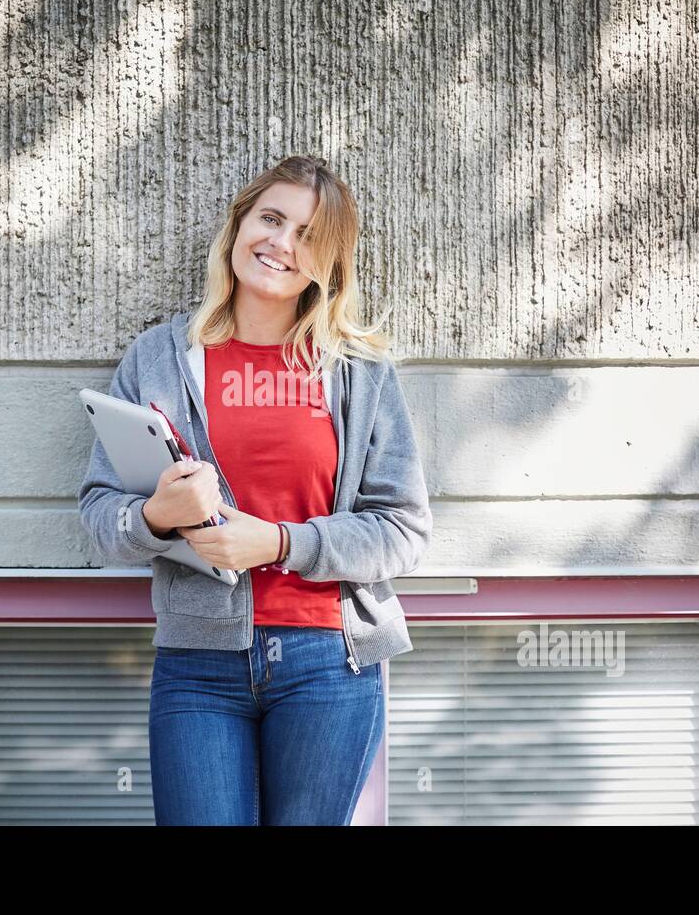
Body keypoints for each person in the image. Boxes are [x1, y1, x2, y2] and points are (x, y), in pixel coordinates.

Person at [78, 154, 433, 824]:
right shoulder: (158, 359)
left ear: (329, 266)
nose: (280, 244)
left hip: (329, 661)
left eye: (307, 235)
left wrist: (276, 542)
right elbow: (100, 515)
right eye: (270, 219)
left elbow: (405, 531)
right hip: (198, 662)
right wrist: (155, 516)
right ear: (239, 224)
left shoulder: (359, 374)